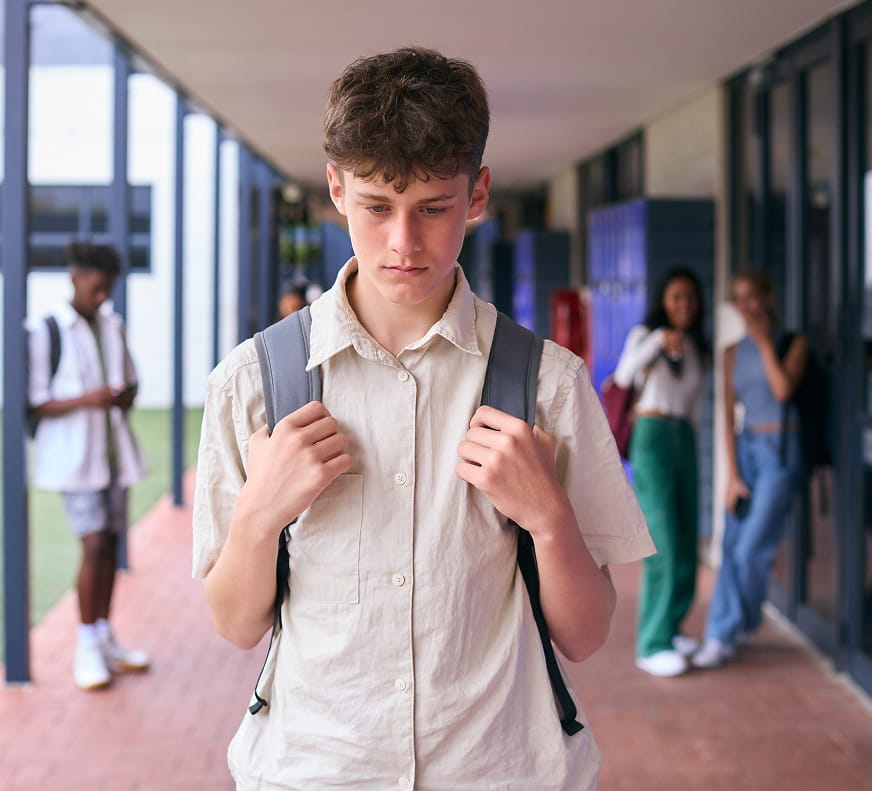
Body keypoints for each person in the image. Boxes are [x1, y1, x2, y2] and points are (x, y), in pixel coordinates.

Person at [192, 47, 654, 790]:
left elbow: (587, 633)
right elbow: (235, 624)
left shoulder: (549, 384)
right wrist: (258, 517)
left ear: (477, 195)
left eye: (433, 207)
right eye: (377, 206)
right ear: (338, 189)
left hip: (501, 770)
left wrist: (550, 520)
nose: (404, 243)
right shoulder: (253, 383)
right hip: (314, 770)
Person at [27, 240, 150, 691]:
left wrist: (123, 395)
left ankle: (103, 636)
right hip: (75, 459)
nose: (102, 297)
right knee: (94, 544)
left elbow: (133, 382)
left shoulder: (113, 326)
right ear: (75, 277)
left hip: (114, 454)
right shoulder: (46, 331)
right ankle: (85, 644)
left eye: (107, 290)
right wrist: (89, 399)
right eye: (96, 288)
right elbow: (36, 402)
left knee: (111, 543)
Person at [692, 270, 806, 669]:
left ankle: (721, 634)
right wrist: (733, 476)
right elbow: (726, 417)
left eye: (752, 297)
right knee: (731, 546)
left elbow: (782, 390)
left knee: (752, 547)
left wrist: (762, 341)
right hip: (746, 449)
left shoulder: (794, 342)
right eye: (739, 299)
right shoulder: (730, 353)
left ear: (768, 298)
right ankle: (742, 623)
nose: (746, 306)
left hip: (781, 450)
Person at [613, 268, 708, 678]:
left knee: (688, 538)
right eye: (676, 297)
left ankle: (672, 626)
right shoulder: (643, 335)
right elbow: (622, 376)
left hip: (684, 438)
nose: (683, 304)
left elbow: (695, 403)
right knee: (663, 540)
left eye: (690, 297)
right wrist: (655, 342)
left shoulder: (696, 348)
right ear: (663, 301)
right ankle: (651, 644)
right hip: (651, 436)